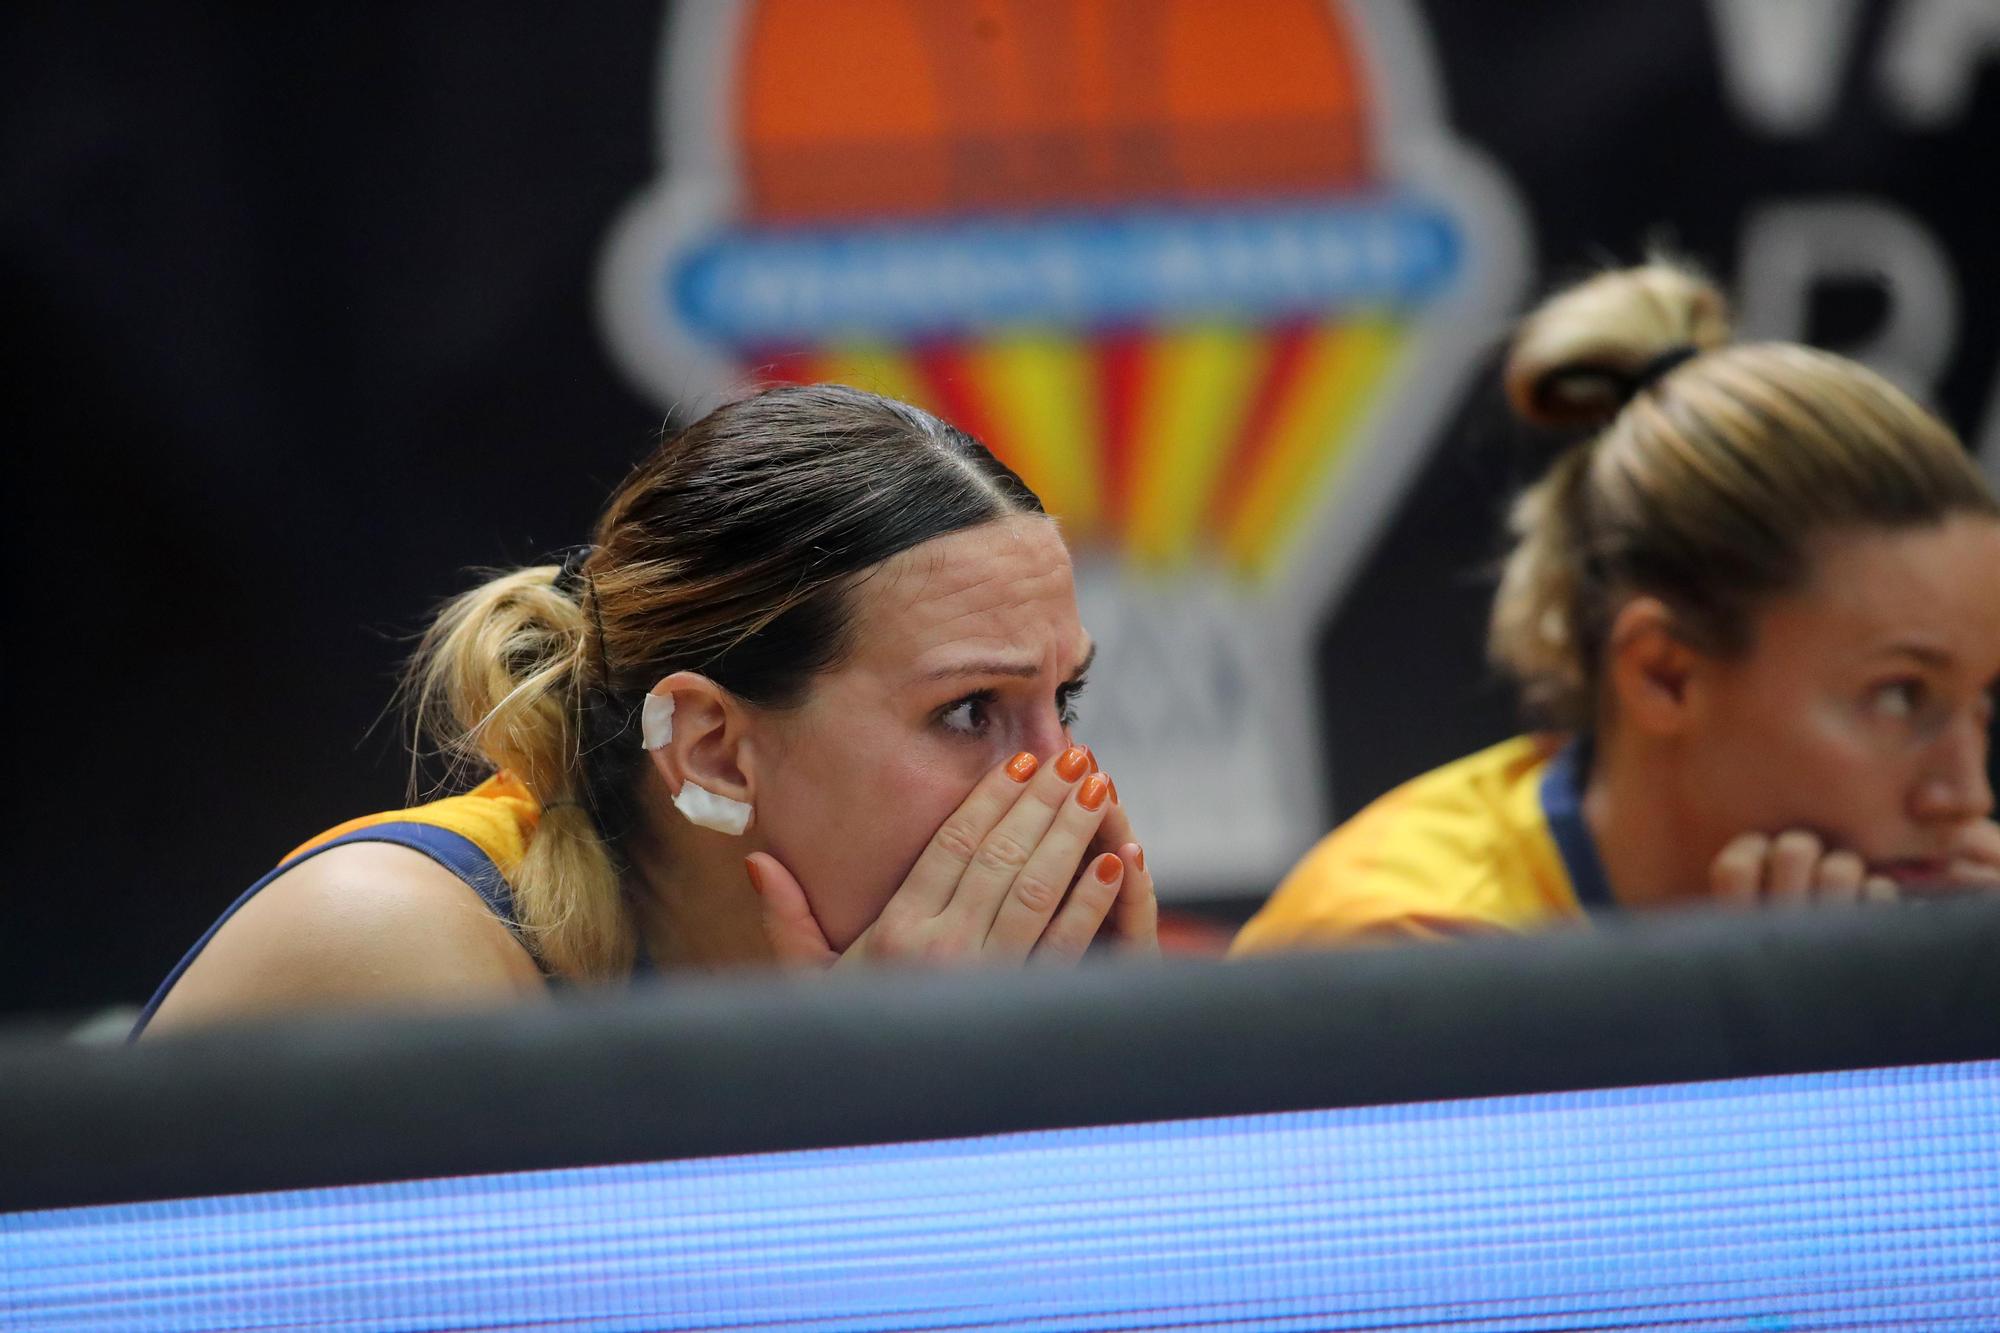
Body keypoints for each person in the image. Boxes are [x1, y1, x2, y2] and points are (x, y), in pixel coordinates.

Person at [137, 385, 1155, 1036]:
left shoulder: (903, 1018)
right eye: (970, 708)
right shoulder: (389, 950)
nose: (1066, 782)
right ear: (711, 751)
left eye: (1060, 698)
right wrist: (853, 1112)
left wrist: (1110, 1081)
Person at [1234, 262, 2000, 952]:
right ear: (1663, 673)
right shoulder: (1409, 950)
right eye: (1900, 695)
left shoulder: (1921, 931)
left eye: (1982, 706)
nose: (1966, 796)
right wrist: (1802, 1039)